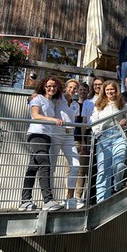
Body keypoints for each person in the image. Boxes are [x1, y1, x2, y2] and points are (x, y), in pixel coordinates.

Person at [19, 76, 65, 212]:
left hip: (47, 136)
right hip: (36, 134)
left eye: (54, 86)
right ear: (43, 86)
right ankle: (48, 200)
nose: (51, 88)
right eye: (48, 86)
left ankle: (25, 201)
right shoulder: (37, 98)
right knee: (45, 164)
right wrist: (54, 119)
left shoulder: (52, 102)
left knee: (32, 167)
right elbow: (36, 115)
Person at [90, 81, 127, 203]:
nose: (109, 92)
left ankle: (117, 183)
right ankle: (102, 201)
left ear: (116, 90)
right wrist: (98, 133)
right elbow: (94, 121)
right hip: (104, 137)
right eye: (107, 90)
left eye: (111, 90)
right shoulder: (99, 105)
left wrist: (125, 122)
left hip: (119, 135)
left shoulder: (122, 104)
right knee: (103, 170)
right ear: (104, 91)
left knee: (119, 163)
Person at [50, 78, 81, 210]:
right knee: (52, 166)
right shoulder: (58, 98)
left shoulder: (76, 105)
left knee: (76, 164)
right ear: (66, 88)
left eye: (75, 88)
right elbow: (43, 98)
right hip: (56, 132)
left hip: (69, 135)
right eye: (70, 87)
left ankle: (69, 198)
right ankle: (49, 199)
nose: (72, 90)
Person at [73, 81, 89, 206]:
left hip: (83, 139)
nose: (83, 92)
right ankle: (68, 196)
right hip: (72, 139)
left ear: (88, 92)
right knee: (70, 169)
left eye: (85, 90)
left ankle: (78, 196)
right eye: (81, 89)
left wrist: (84, 140)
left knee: (82, 170)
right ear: (78, 91)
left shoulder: (89, 105)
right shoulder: (73, 104)